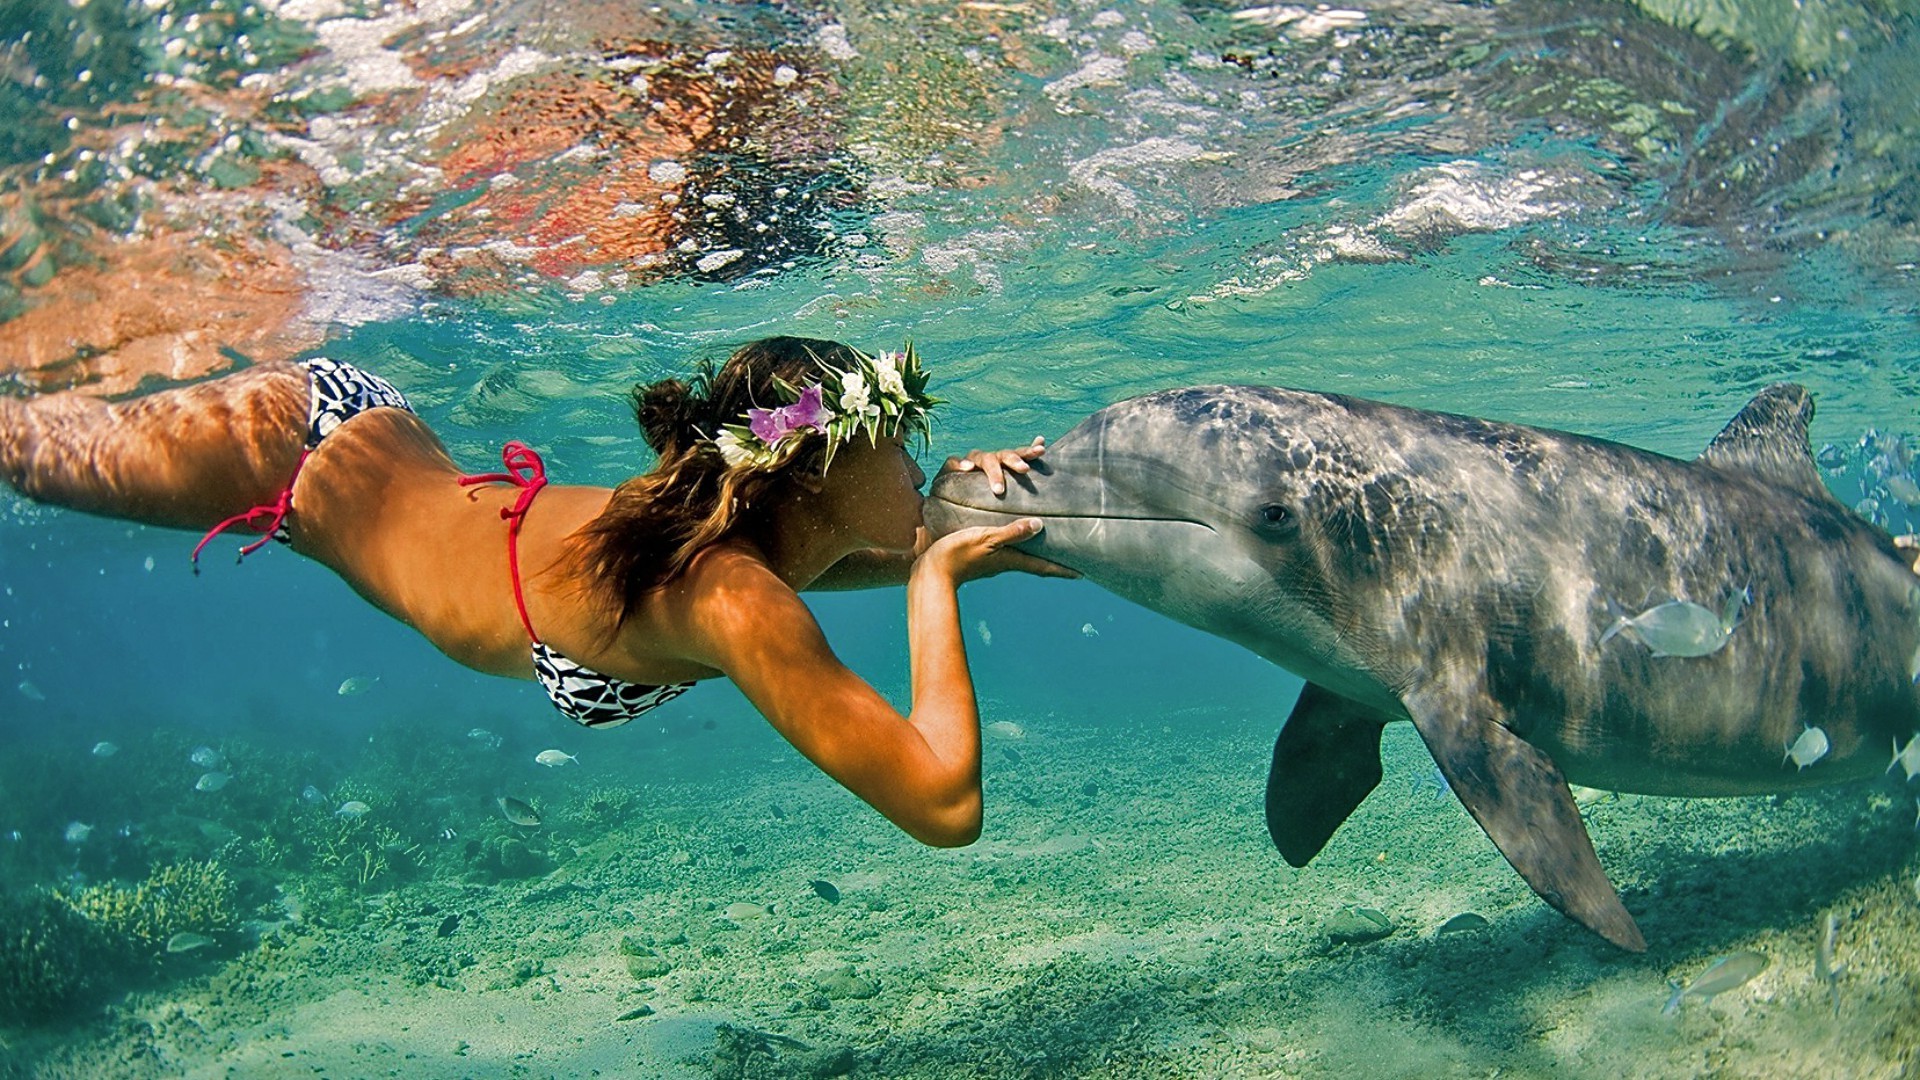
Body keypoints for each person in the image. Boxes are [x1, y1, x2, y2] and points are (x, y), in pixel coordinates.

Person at [0, 337, 1069, 847]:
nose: (917, 464)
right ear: (817, 472)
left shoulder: (738, 529)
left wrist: (989, 513)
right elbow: (943, 804)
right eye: (899, 446)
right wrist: (936, 580)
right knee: (23, 441)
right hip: (289, 451)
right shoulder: (735, 596)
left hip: (359, 428)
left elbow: (848, 552)